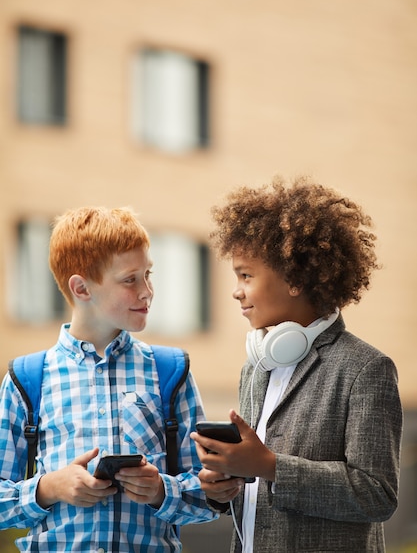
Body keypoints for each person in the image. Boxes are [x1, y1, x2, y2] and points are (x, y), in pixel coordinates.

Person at [191, 176, 403, 553]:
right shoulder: (256, 367)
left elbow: (376, 495)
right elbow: (254, 492)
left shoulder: (365, 369)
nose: (236, 290)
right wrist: (223, 489)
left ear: (294, 278)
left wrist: (271, 466)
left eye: (246, 275)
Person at [0, 206, 217, 552]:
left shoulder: (169, 372)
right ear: (82, 288)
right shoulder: (26, 380)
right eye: (130, 279)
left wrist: (161, 490)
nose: (147, 291)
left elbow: (211, 496)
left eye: (149, 274)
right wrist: (49, 487)